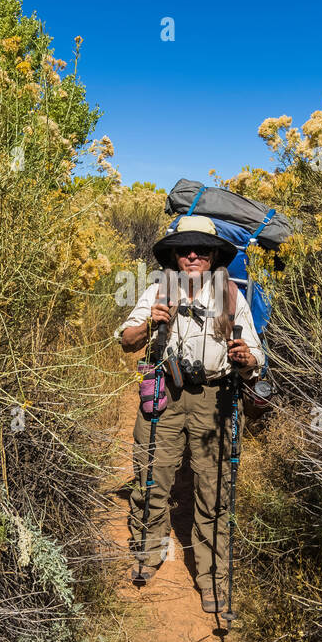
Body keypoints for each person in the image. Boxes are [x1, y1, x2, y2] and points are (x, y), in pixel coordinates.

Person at [114, 215, 265, 613]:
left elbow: (256, 359)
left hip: (215, 399)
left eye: (202, 249)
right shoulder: (157, 291)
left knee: (214, 488)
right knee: (152, 475)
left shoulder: (231, 296)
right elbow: (127, 342)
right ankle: (147, 554)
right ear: (175, 256)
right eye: (185, 249)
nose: (193, 255)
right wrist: (151, 322)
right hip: (166, 393)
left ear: (215, 256)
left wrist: (246, 358)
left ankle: (212, 577)